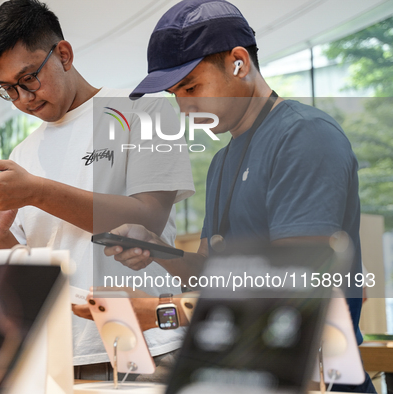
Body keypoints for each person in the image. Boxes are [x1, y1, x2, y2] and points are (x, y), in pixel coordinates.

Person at [100, 0, 375, 392]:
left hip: (316, 379)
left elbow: (294, 290)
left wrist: (163, 311)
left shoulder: (304, 137)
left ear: (239, 62)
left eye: (192, 87)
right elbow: (217, 276)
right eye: (176, 93)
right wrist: (160, 250)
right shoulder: (222, 162)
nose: (184, 106)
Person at [0, 0, 195, 379]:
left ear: (63, 54)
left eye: (29, 78)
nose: (23, 99)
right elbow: (34, 273)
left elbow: (150, 217)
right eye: (9, 90)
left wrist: (35, 192)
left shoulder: (144, 110)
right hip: (60, 354)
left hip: (147, 342)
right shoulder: (23, 153)